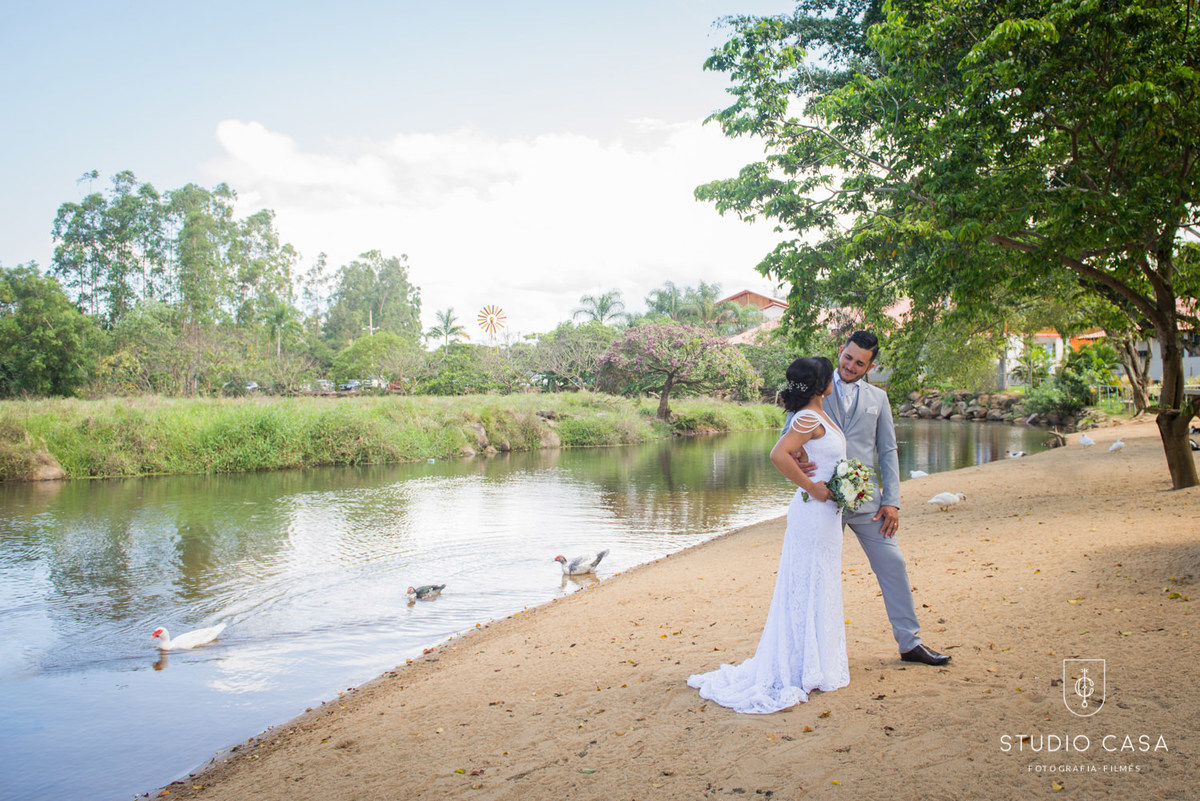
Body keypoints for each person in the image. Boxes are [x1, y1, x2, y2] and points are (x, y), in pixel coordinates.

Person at [687, 356, 850, 713]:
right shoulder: (808, 417)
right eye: (830, 376)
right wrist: (814, 487)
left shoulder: (817, 416)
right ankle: (799, 666)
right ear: (822, 385)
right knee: (806, 581)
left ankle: (814, 662)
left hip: (826, 514)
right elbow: (779, 454)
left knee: (818, 581)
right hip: (814, 510)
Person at [791, 331, 950, 667]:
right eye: (848, 358)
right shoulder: (815, 388)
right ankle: (807, 650)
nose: (850, 366)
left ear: (871, 366)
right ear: (840, 351)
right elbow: (787, 439)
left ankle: (910, 643)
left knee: (894, 563)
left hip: (867, 504)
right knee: (816, 573)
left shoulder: (878, 398)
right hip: (822, 503)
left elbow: (887, 451)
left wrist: (891, 501)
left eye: (860, 363)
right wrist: (802, 464)